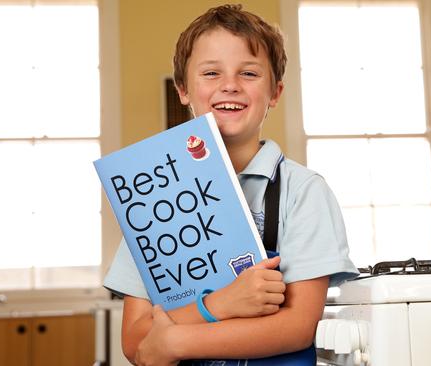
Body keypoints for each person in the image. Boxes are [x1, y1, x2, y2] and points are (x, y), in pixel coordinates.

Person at [103, 4, 359, 365]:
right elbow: (135, 339)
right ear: (183, 90)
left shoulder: (302, 192)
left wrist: (175, 341)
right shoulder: (151, 198)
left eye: (249, 73)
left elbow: (298, 326)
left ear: (275, 92)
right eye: (210, 72)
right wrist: (218, 304)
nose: (230, 85)